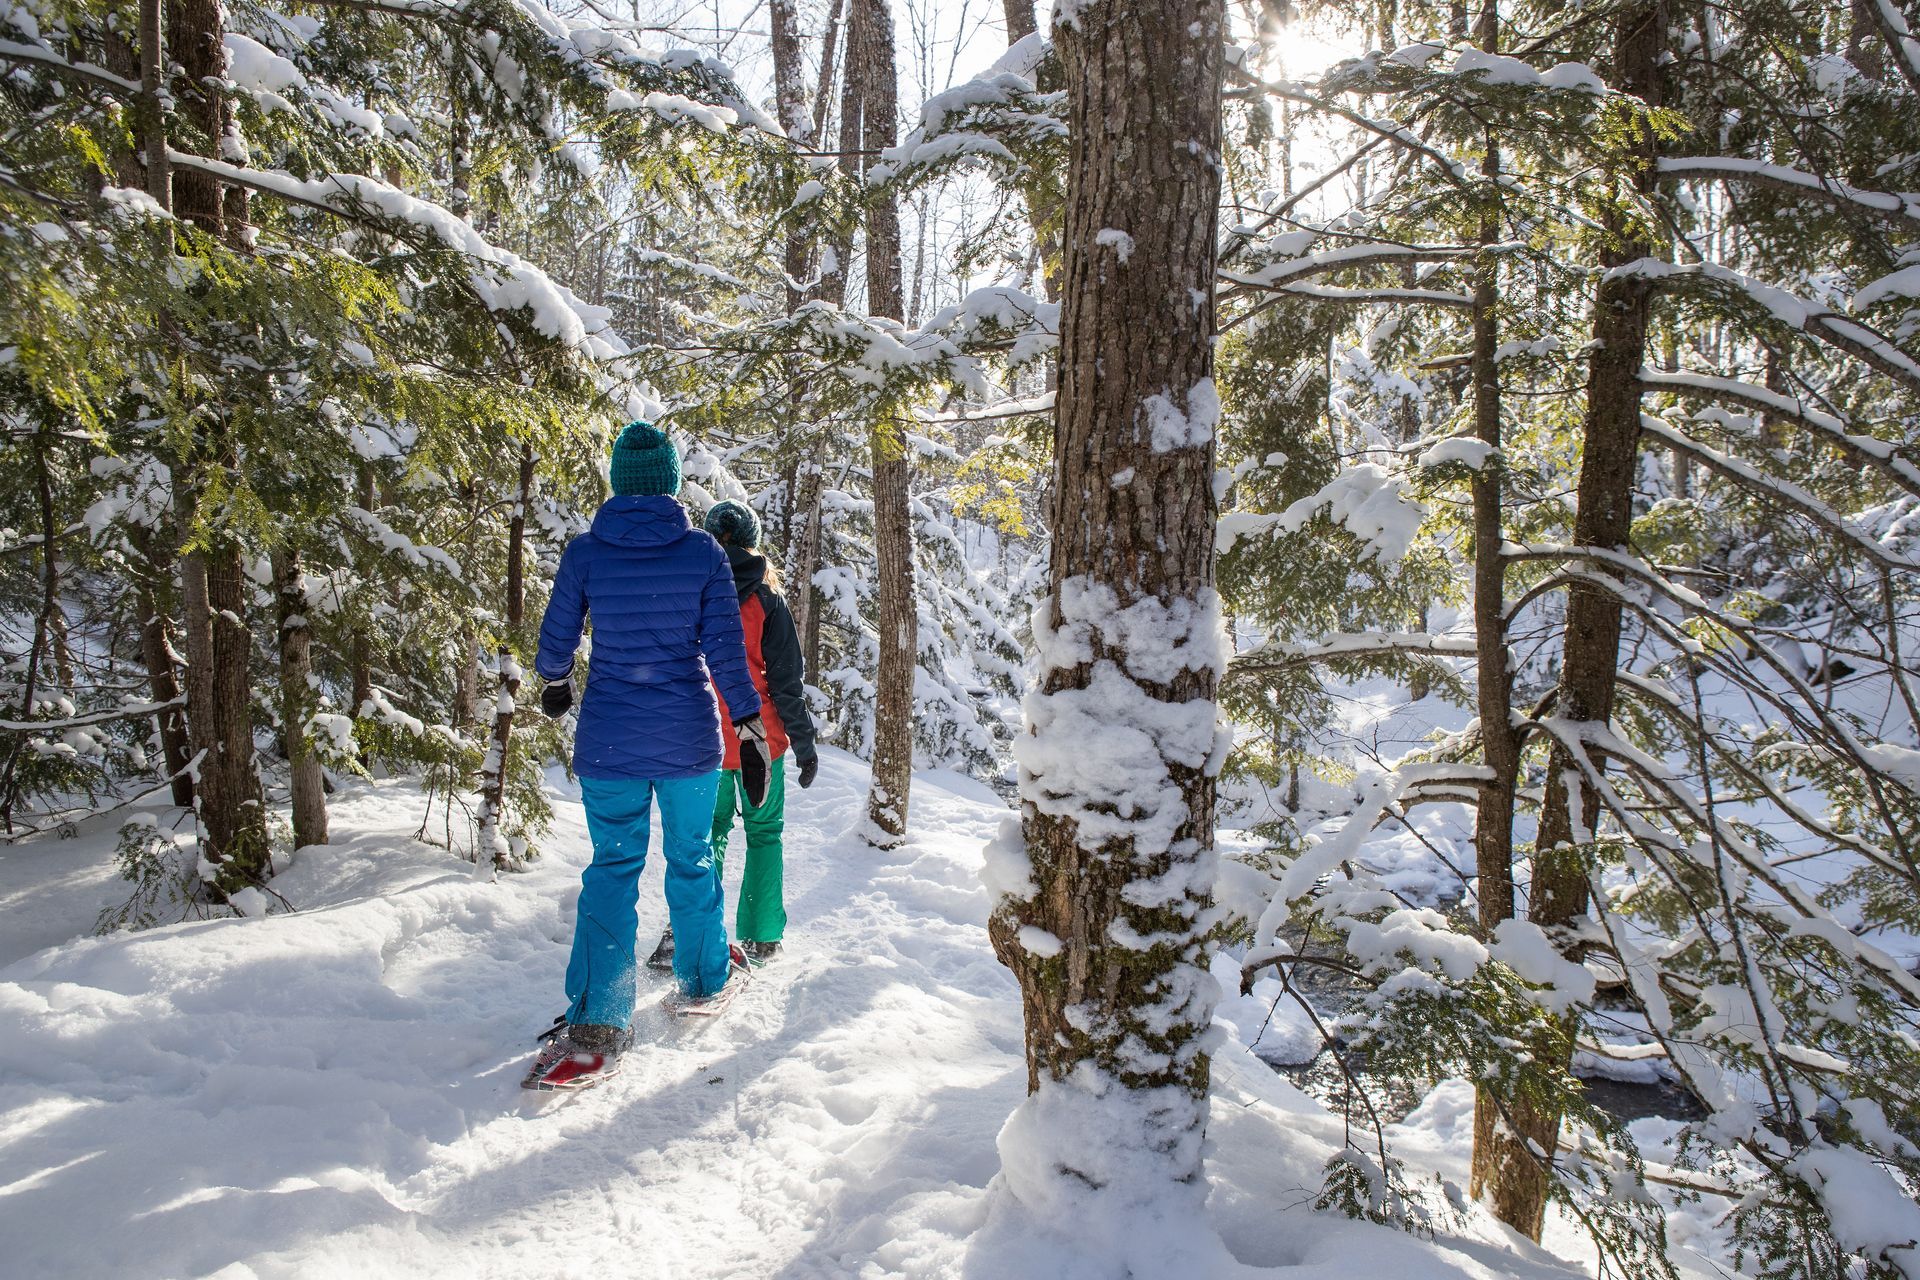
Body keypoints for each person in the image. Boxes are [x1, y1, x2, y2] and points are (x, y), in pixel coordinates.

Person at [522, 422, 772, 1090]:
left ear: (617, 481)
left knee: (612, 870)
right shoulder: (702, 555)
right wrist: (747, 724)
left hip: (609, 740)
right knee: (691, 860)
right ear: (667, 481)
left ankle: (599, 1020)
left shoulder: (585, 553)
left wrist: (553, 681)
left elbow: (557, 638)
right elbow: (724, 650)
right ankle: (702, 980)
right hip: (690, 738)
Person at [648, 500, 817, 971]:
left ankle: (688, 931)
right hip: (760, 740)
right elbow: (786, 684)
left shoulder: (688, 593)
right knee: (764, 833)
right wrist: (804, 745)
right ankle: (762, 936)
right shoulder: (767, 602)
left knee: (706, 836)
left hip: (701, 738)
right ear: (751, 543)